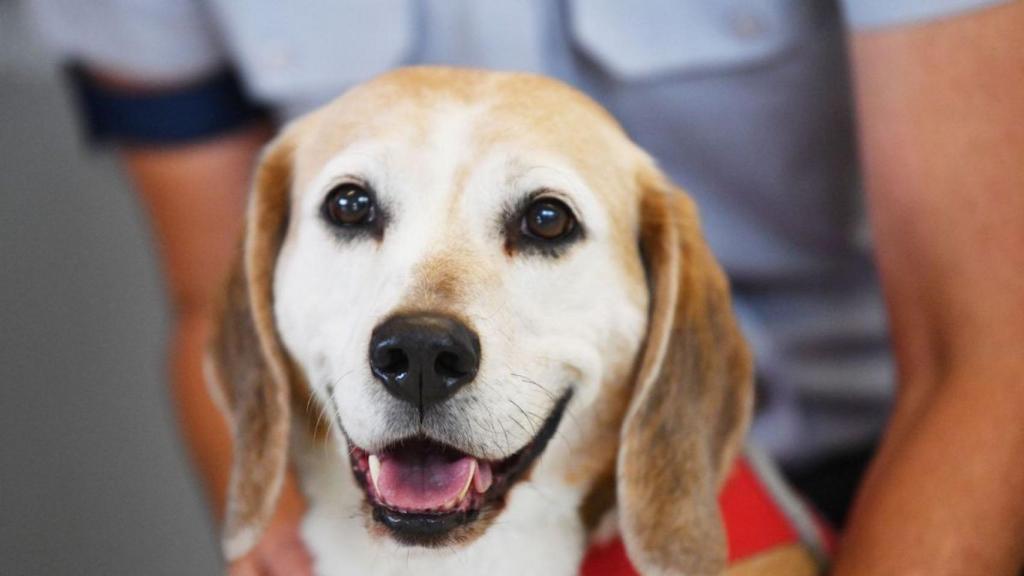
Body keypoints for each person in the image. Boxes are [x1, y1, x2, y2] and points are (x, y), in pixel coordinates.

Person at [31, 1, 1024, 574]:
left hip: (873, 483)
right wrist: (277, 531)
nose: (426, 329)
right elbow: (217, 295)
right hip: (357, 508)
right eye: (351, 209)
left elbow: (991, 344)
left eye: (542, 222)